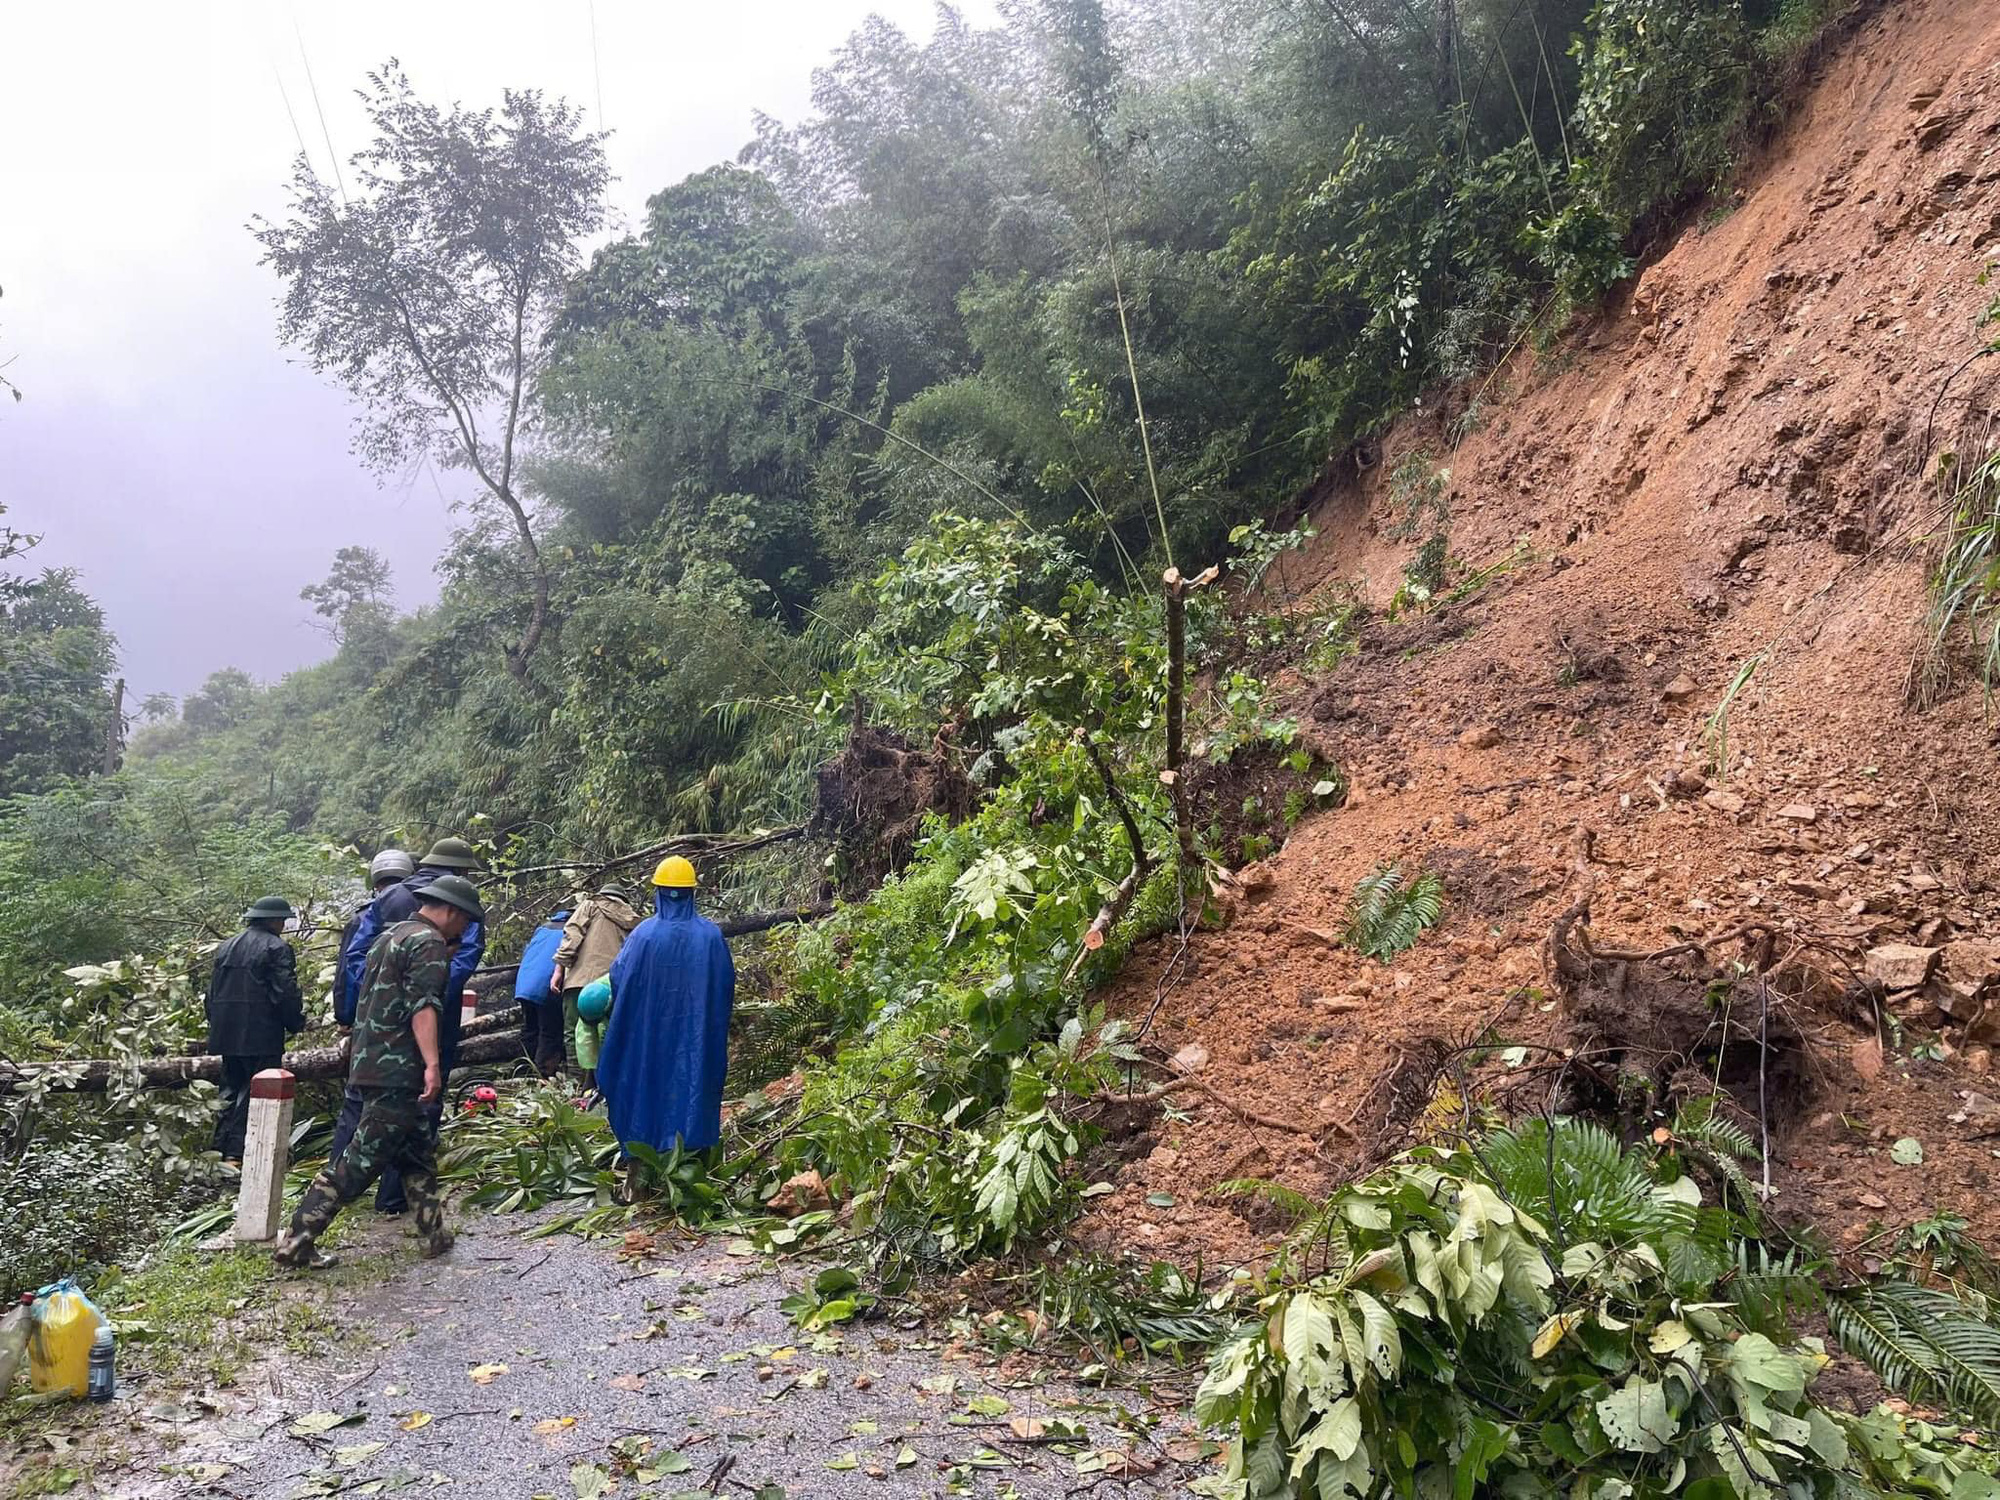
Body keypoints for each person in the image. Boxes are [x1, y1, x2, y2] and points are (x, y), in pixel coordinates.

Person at [274, 875, 483, 1269]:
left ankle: (434, 1234)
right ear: (452, 911)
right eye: (466, 921)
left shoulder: (390, 936)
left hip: (370, 1061)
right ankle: (296, 1242)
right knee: (359, 1161)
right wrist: (432, 1064)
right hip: (398, 1069)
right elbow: (423, 1006)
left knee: (417, 1152)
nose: (466, 931)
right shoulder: (429, 943)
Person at [330, 837, 486, 1213]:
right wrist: (425, 993)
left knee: (360, 1108)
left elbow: (356, 956)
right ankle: (387, 1200)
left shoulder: (387, 898)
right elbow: (463, 959)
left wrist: (377, 999)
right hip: (428, 1025)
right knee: (422, 1105)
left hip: (376, 1030)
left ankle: (418, 1220)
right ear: (461, 872)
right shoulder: (460, 904)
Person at [597, 857, 736, 1162]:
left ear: (657, 892)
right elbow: (725, 987)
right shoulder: (711, 937)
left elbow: (619, 979)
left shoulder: (643, 936)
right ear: (692, 893)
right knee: (695, 1082)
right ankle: (692, 1164)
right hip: (696, 1037)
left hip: (648, 1036)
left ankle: (643, 1167)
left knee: (645, 1082)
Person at [203, 896, 307, 1165]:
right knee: (255, 1092)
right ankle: (237, 1155)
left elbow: (210, 993)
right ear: (272, 921)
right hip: (260, 1033)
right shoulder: (277, 948)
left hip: (226, 1032)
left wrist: (215, 1023)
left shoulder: (226, 946)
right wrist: (295, 1022)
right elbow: (285, 991)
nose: (284, 925)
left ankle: (219, 1152)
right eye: (282, 920)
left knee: (229, 1091)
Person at [550, 881, 639, 1082]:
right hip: (611, 985)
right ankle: (602, 1083)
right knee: (606, 1033)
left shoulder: (590, 905)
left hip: (580, 980)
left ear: (602, 894)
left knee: (573, 1032)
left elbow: (572, 934)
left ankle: (577, 1083)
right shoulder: (633, 919)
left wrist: (559, 968)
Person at [334, 850, 415, 1025]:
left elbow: (347, 973)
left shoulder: (362, 918)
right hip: (415, 1010)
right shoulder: (425, 909)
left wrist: (345, 1017)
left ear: (376, 883)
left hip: (370, 1013)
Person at [513, 904, 572, 1075]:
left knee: (530, 1030)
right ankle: (542, 1075)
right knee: (550, 1032)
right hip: (547, 985)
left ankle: (521, 1071)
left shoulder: (543, 928)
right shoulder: (571, 932)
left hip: (525, 983)